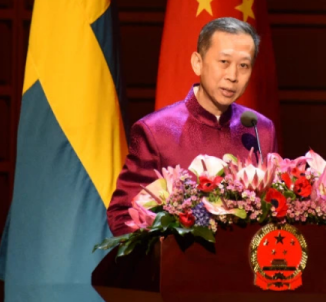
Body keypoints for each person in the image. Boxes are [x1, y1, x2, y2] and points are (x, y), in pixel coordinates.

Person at [107, 17, 278, 236]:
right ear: (197, 62)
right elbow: (122, 215)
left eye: (243, 65)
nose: (233, 76)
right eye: (224, 62)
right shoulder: (155, 131)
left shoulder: (260, 130)